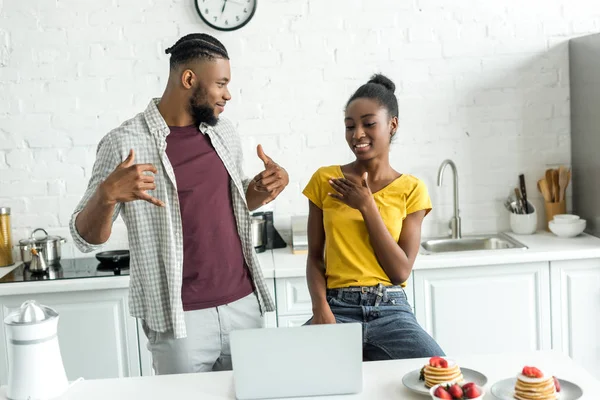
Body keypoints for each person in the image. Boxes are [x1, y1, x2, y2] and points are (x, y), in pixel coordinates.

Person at [70, 33, 289, 374]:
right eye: (221, 83)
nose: (228, 94)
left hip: (244, 304)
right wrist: (105, 196)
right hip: (178, 318)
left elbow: (230, 202)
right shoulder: (124, 143)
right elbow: (86, 238)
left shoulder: (224, 132)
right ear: (189, 79)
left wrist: (261, 189)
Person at [302, 74, 444, 360]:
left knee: (439, 376)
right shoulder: (325, 180)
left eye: (369, 124)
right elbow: (315, 257)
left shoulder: (412, 189)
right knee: (281, 375)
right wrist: (321, 310)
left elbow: (400, 271)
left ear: (392, 124)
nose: (357, 134)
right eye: (350, 126)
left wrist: (367, 207)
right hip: (336, 308)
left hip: (392, 311)